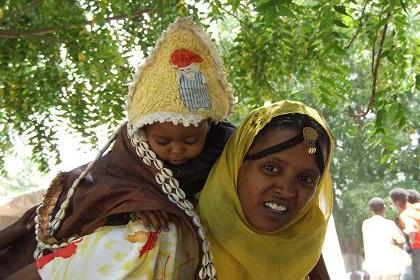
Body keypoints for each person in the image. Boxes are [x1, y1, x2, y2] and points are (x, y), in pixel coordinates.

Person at [0, 16, 235, 279]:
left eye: (190, 141)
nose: (177, 150)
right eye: (163, 142)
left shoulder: (225, 149)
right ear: (143, 133)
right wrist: (135, 202)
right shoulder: (126, 156)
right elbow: (103, 189)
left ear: (208, 129)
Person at [199, 100, 335, 279]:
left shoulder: (306, 257)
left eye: (305, 179)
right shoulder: (173, 240)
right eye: (271, 168)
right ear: (236, 164)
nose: (287, 191)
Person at [361, 197, 410, 280]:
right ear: (384, 208)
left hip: (373, 267)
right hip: (390, 267)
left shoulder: (366, 224)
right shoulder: (389, 224)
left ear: (370, 210)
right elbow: (401, 240)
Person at [390, 188, 420, 280]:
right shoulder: (417, 206)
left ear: (397, 203)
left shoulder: (405, 214)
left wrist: (412, 242)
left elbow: (412, 230)